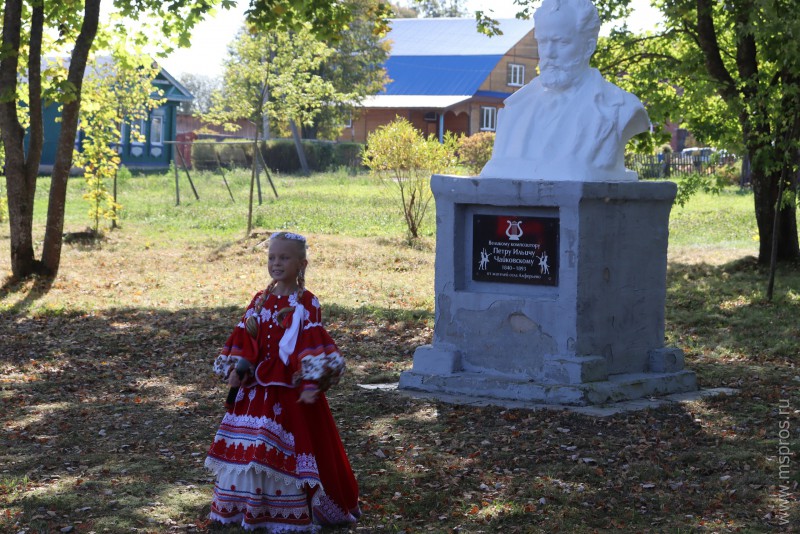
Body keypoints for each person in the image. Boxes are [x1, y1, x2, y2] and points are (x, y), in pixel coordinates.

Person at [205, 231, 360, 531]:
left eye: (284, 257)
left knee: (285, 446)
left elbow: (310, 342)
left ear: (301, 263)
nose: (276, 263)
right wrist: (239, 367)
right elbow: (247, 338)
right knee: (252, 446)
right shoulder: (260, 299)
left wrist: (311, 382)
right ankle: (246, 506)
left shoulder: (307, 302)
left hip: (289, 392)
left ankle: (287, 511)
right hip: (254, 391)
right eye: (272, 257)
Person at [480, 0, 650, 182]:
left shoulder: (620, 108)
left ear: (589, 47)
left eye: (561, 42)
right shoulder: (516, 107)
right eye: (543, 42)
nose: (549, 53)